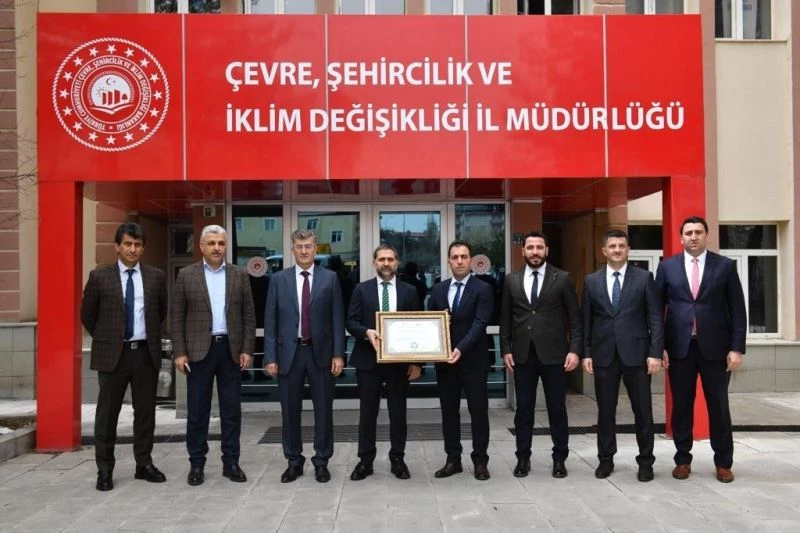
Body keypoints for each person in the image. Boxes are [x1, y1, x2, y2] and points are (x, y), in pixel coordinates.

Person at [655, 216, 746, 483]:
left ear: (706, 235)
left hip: (716, 350)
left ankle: (724, 463)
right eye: (688, 233)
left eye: (698, 232)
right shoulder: (667, 267)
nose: (693, 236)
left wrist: (736, 348)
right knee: (681, 407)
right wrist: (659, 347)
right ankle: (682, 460)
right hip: (679, 349)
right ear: (681, 237)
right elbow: (657, 310)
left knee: (719, 407)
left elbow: (738, 310)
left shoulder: (725, 266)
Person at [81, 222, 168, 492]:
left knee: (145, 413)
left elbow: (160, 312)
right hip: (112, 356)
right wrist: (108, 338)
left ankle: (144, 464)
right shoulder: (99, 276)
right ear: (117, 247)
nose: (132, 249)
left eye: (137, 244)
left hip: (144, 354)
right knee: (107, 415)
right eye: (128, 244)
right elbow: (88, 315)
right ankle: (105, 469)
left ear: (143, 248)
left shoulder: (156, 277)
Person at [172, 224, 255, 486]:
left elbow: (248, 315)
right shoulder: (186, 275)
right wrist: (179, 352)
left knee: (231, 411)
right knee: (198, 412)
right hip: (198, 352)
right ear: (201, 246)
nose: (216, 248)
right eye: (211, 243)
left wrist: (247, 348)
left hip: (230, 350)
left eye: (220, 243)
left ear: (225, 245)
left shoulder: (239, 274)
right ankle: (196, 464)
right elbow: (177, 317)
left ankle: (231, 463)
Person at [581, 229, 664, 482]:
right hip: (604, 355)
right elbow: (586, 320)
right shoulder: (591, 281)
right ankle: (605, 460)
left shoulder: (644, 278)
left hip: (637, 355)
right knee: (605, 411)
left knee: (643, 411)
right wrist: (586, 352)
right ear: (604, 251)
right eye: (612, 246)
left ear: (628, 250)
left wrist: (655, 353)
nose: (617, 250)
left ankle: (646, 462)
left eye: (621, 246)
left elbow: (655, 318)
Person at [264, 229, 345, 484]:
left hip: (321, 354)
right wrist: (270, 357)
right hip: (289, 355)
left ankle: (321, 461)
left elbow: (337, 318)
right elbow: (270, 321)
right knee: (290, 411)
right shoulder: (278, 280)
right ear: (292, 249)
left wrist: (338, 354)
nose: (303, 251)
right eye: (299, 246)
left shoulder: (330, 278)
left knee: (324, 410)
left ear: (315, 248)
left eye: (308, 246)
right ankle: (293, 461)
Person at [499, 231, 582, 479]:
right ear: (523, 251)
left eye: (539, 247)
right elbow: (505, 319)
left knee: (557, 409)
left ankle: (559, 459)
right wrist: (505, 349)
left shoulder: (563, 278)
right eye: (530, 247)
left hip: (555, 356)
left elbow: (575, 319)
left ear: (547, 250)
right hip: (522, 356)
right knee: (524, 410)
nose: (535, 252)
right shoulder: (511, 280)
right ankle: (523, 458)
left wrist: (574, 350)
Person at [346, 244, 422, 481]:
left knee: (398, 413)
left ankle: (397, 459)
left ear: (396, 262)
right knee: (368, 413)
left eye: (390, 259)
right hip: (368, 362)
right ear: (374, 263)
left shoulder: (410, 291)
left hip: (400, 363)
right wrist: (366, 332)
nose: (386, 263)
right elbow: (351, 321)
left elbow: (419, 324)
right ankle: (365, 461)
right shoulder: (361, 289)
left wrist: (418, 363)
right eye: (381, 259)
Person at [428, 240, 494, 480]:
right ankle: (453, 460)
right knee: (449, 412)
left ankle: (480, 461)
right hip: (445, 363)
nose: (459, 261)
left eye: (463, 257)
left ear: (470, 261)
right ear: (448, 261)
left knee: (478, 412)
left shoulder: (483, 288)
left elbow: (480, 323)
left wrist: (460, 348)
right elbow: (430, 322)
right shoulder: (438, 289)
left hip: (473, 361)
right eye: (455, 257)